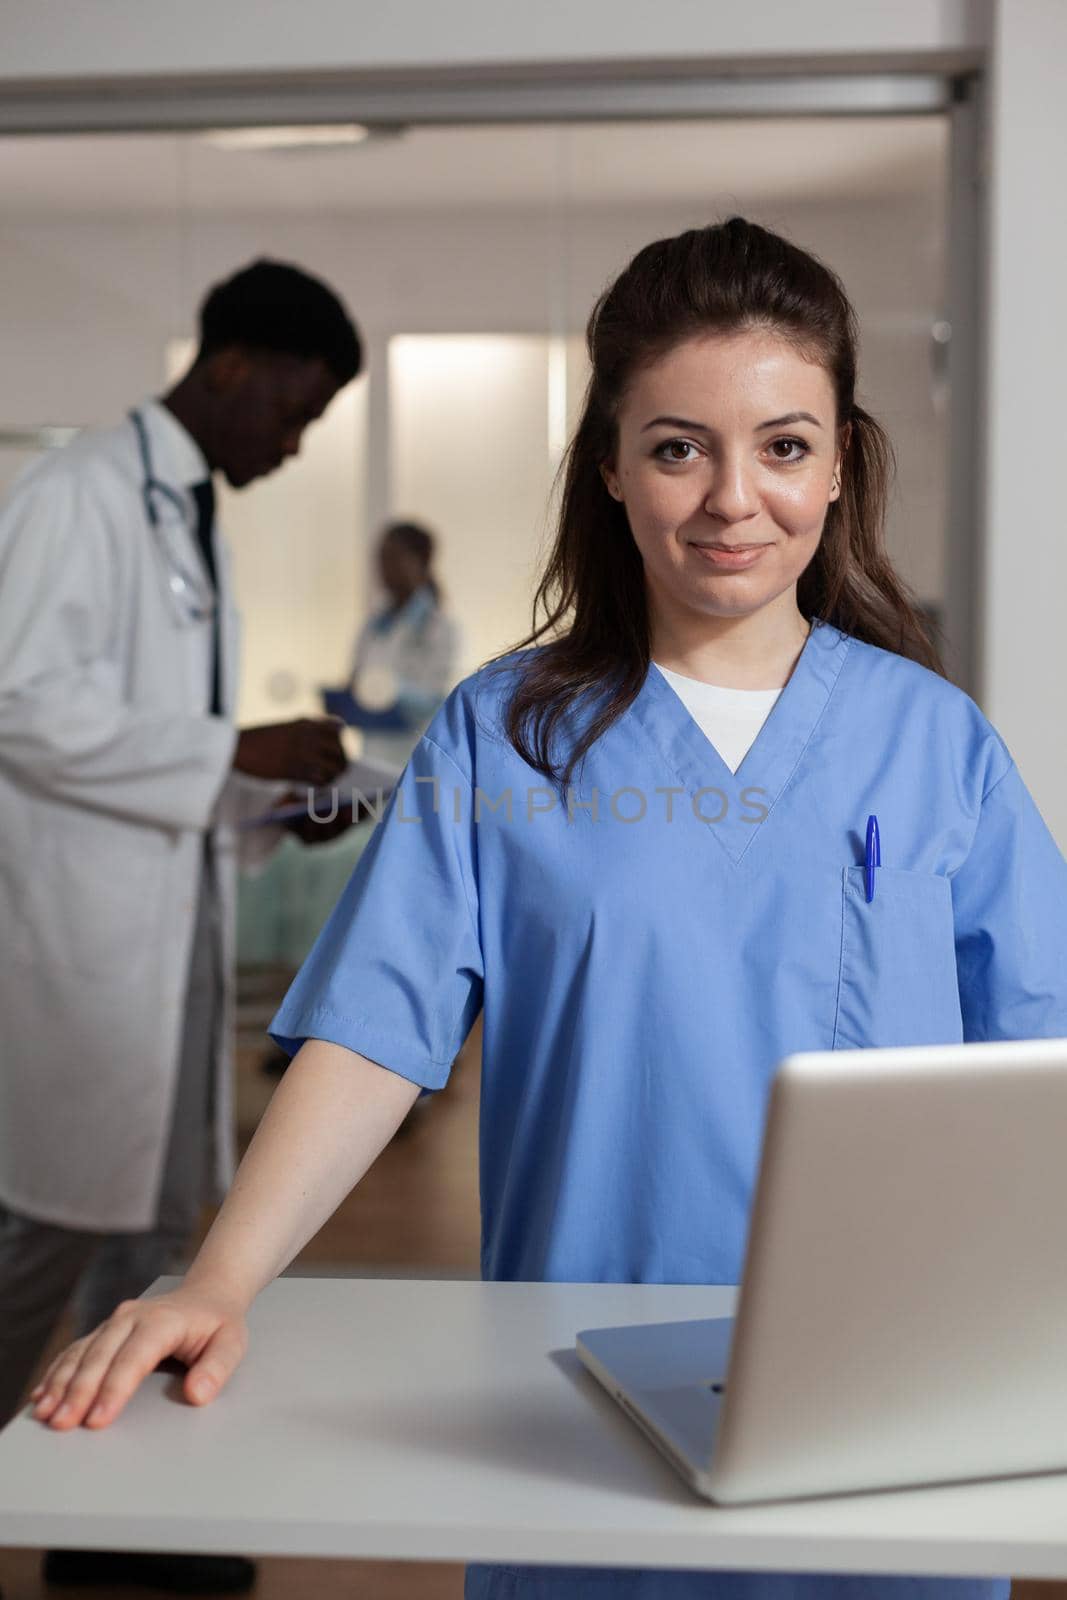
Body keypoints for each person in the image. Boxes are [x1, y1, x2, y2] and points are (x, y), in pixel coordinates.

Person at [30, 219, 1067, 1600]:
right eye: (676, 445)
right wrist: (215, 1283)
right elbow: (372, 1033)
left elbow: (1036, 1072)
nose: (729, 499)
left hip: (880, 1384)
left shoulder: (931, 743)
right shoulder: (499, 736)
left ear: (836, 465)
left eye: (782, 445)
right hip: (570, 1392)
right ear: (610, 466)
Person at [0, 259, 361, 1592]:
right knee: (47, 1233)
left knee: (154, 1242)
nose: (294, 440)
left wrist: (273, 801)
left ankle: (122, 1527)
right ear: (230, 368)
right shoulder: (80, 493)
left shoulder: (184, 520)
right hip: (82, 950)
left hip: (167, 943)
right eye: (295, 409)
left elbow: (158, 762)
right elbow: (24, 708)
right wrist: (237, 741)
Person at [334, 517, 461, 767]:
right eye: (380, 558)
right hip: (372, 753)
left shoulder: (440, 628)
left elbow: (437, 698)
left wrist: (386, 690)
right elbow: (357, 681)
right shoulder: (372, 626)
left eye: (392, 557)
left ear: (421, 561)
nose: (383, 566)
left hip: (417, 755)